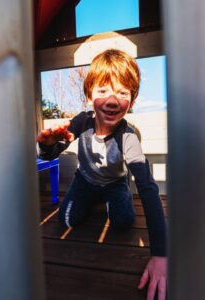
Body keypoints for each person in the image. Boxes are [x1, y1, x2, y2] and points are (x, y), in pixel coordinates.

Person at [37, 49, 167, 300]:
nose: (112, 100)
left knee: (122, 222)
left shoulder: (129, 137)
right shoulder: (81, 122)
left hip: (114, 184)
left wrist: (160, 254)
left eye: (122, 92)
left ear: (132, 100)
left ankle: (111, 200)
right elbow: (51, 155)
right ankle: (92, 200)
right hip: (84, 180)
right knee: (66, 219)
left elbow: (148, 187)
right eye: (103, 90)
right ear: (88, 96)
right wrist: (47, 145)